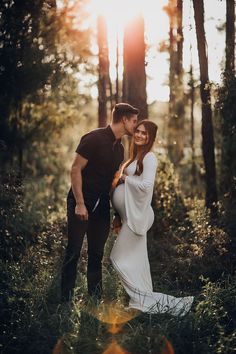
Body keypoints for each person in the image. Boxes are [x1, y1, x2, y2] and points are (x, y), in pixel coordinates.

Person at [110, 120, 194, 316]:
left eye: (144, 133)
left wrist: (124, 179)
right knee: (138, 261)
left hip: (138, 217)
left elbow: (146, 186)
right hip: (128, 215)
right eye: (137, 131)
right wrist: (118, 215)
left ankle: (146, 300)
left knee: (116, 257)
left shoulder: (149, 158)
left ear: (151, 138)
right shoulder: (133, 158)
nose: (139, 135)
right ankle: (140, 302)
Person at [61, 103, 139, 302]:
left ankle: (95, 300)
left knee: (96, 255)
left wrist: (118, 213)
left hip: (102, 207)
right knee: (73, 252)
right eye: (134, 121)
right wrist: (79, 202)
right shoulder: (93, 138)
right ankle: (65, 301)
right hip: (80, 202)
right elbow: (75, 169)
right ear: (124, 120)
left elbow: (113, 181)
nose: (136, 126)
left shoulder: (120, 149)